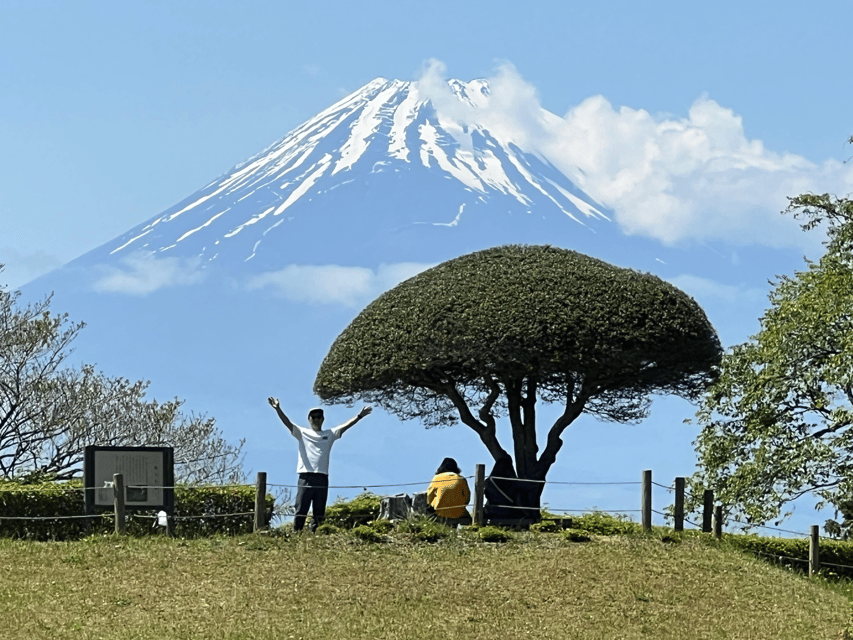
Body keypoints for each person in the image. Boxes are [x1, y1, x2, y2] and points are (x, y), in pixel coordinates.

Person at [268, 397, 372, 532]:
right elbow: (287, 423)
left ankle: (316, 534)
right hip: (305, 476)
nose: (316, 419)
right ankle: (296, 533)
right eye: (313, 417)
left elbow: (346, 426)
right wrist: (278, 409)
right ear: (309, 419)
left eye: (318, 417)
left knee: (319, 509)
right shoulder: (302, 433)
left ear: (323, 419)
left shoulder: (329, 434)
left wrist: (359, 416)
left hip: (322, 476)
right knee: (301, 508)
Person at [426, 457, 472, 527]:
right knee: (469, 519)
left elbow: (430, 496)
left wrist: (432, 506)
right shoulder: (461, 479)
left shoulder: (437, 478)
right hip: (458, 512)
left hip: (440, 512)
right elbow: (467, 498)